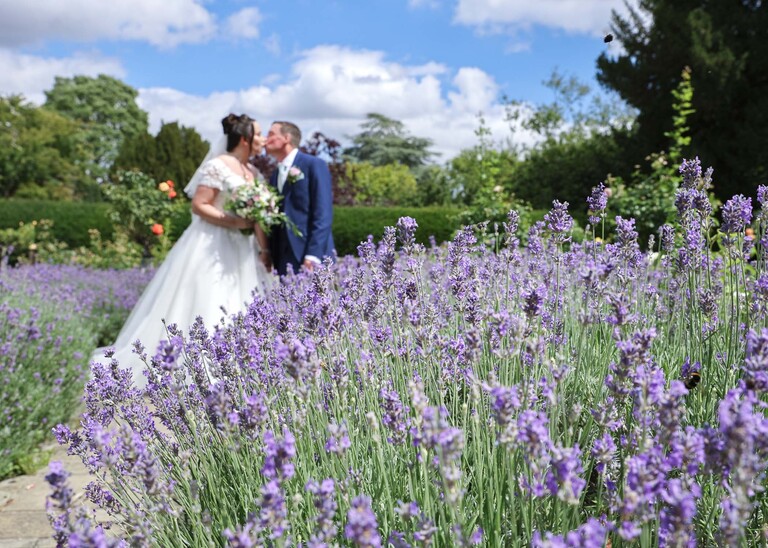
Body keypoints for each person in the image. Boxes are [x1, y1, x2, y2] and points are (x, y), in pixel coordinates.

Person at [94, 113, 274, 388]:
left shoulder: (254, 173)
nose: (263, 139)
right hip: (214, 243)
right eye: (259, 134)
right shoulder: (218, 166)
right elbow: (200, 205)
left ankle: (240, 366)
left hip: (243, 247)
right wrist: (235, 222)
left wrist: (264, 248)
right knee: (212, 297)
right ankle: (198, 367)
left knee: (243, 301)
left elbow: (259, 214)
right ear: (244, 138)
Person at [264, 121, 335, 275]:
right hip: (283, 256)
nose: (265, 139)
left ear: (286, 138)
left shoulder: (314, 164)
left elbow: (323, 213)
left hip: (309, 255)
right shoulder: (276, 173)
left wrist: (313, 254)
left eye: (270, 134)